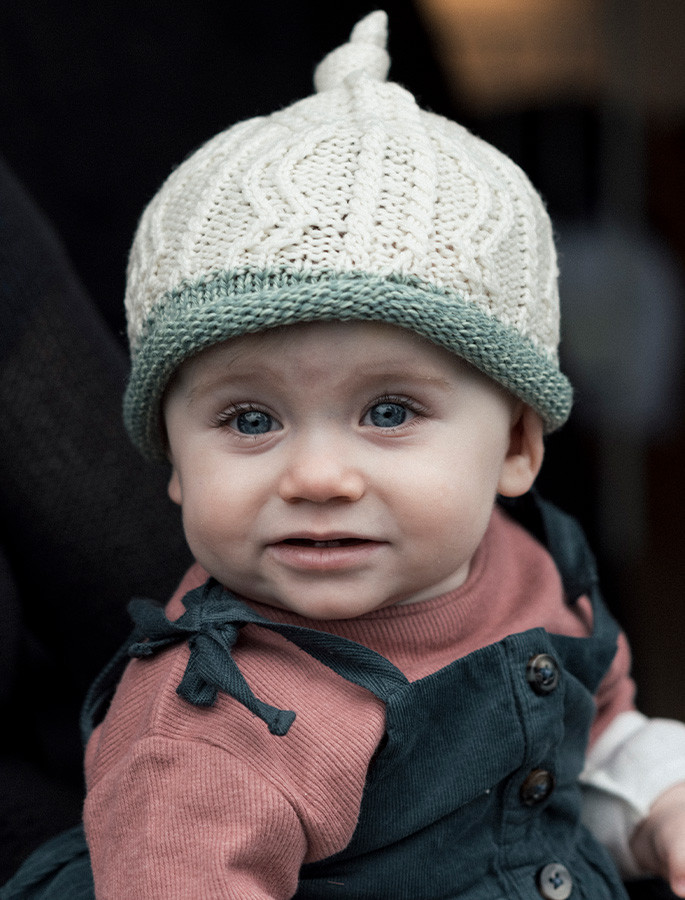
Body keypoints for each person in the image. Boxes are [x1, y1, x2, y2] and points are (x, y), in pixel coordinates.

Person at [4, 11, 685, 900]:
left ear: (516, 447)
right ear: (171, 461)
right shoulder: (216, 732)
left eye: (389, 410)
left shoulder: (526, 572)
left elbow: (586, 743)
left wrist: (656, 799)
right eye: (249, 421)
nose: (317, 478)